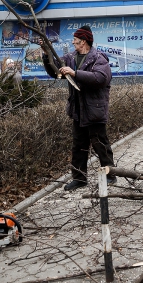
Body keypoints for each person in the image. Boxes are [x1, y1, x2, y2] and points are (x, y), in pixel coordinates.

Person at [42, 26, 117, 191]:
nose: (72, 41)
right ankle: (79, 178)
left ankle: (110, 175)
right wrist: (46, 54)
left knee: (100, 145)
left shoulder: (98, 58)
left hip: (94, 110)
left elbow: (101, 78)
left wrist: (76, 73)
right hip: (78, 110)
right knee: (78, 146)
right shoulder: (70, 57)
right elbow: (56, 72)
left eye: (75, 39)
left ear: (83, 41)